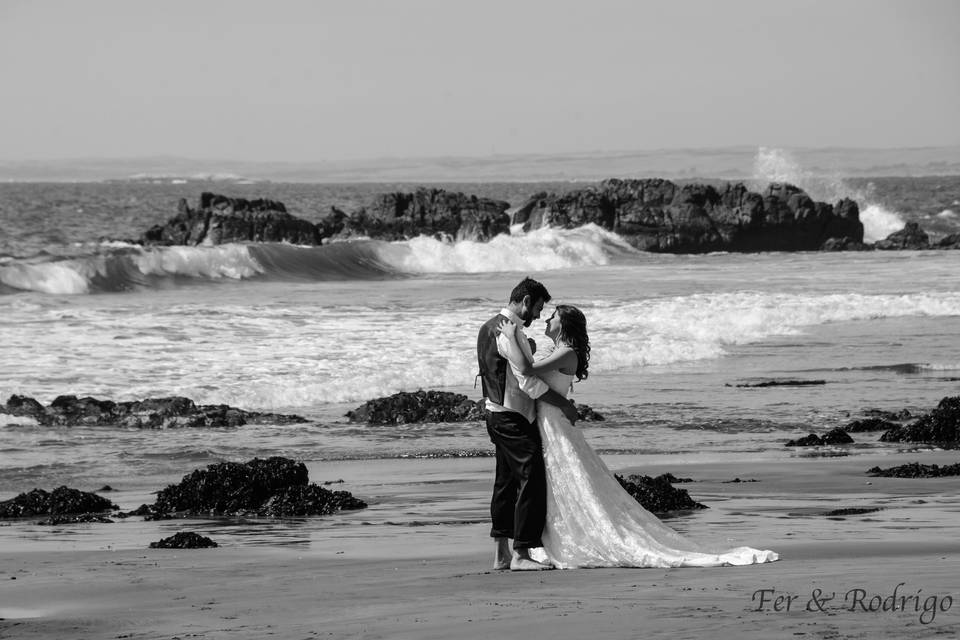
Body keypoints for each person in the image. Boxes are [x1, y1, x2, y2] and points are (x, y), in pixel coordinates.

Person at [498, 304, 779, 569]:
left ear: (565, 324)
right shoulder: (558, 349)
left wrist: (511, 338)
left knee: (569, 480)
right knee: (558, 482)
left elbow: (527, 369)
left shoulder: (567, 352)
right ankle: (549, 537)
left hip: (555, 423)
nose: (547, 320)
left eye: (553, 317)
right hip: (549, 421)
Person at [477, 277, 579, 571]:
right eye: (537, 308)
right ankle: (521, 553)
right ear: (525, 301)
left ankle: (501, 554)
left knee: (505, 483)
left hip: (494, 412)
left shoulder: (489, 326)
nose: (537, 315)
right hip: (513, 415)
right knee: (531, 479)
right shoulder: (512, 333)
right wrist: (565, 405)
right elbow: (528, 382)